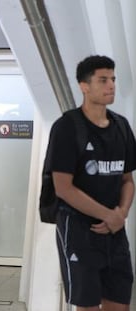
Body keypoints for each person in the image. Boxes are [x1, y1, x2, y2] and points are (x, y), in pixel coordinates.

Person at [46, 56, 136, 311]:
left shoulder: (121, 126)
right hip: (79, 231)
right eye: (103, 80)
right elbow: (63, 187)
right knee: (87, 306)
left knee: (119, 303)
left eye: (113, 80)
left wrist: (121, 214)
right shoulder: (67, 127)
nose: (111, 86)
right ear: (84, 86)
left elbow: (127, 179)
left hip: (115, 231)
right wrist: (108, 215)